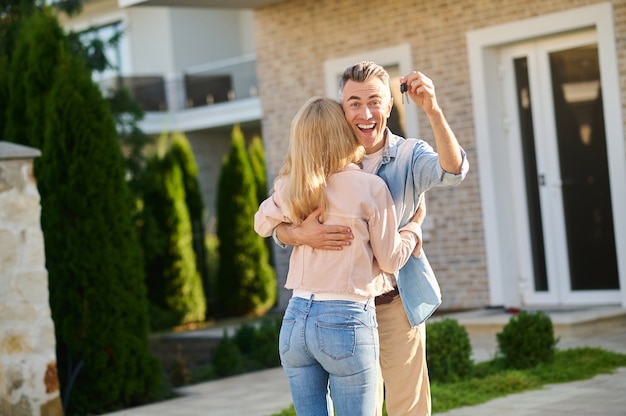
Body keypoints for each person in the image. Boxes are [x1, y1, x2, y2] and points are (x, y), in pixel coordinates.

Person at [274, 61, 469, 416]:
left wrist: (433, 109)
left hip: (393, 303)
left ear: (389, 106)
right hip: (336, 311)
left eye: (375, 101)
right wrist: (294, 233)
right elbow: (277, 215)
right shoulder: (321, 160)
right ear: (341, 107)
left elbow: (453, 171)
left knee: (407, 406)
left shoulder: (409, 155)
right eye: (354, 103)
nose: (365, 113)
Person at [254, 96, 424, 416]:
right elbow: (390, 260)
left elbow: (261, 223)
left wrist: (294, 233)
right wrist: (413, 228)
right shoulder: (369, 188)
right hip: (345, 319)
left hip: (295, 321)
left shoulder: (291, 187)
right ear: (343, 133)